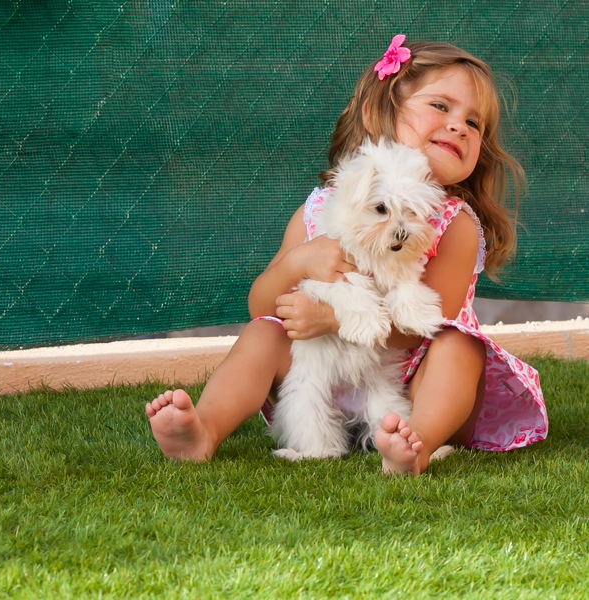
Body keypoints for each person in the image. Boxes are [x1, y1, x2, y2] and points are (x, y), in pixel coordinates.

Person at [145, 35, 547, 475]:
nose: (459, 127)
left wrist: (335, 319)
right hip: (316, 376)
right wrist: (298, 263)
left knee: (459, 344)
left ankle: (416, 444)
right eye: (440, 106)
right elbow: (261, 306)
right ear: (377, 112)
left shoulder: (456, 225)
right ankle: (204, 429)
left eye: (474, 123)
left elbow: (424, 327)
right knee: (263, 334)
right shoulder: (319, 208)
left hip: (411, 383)